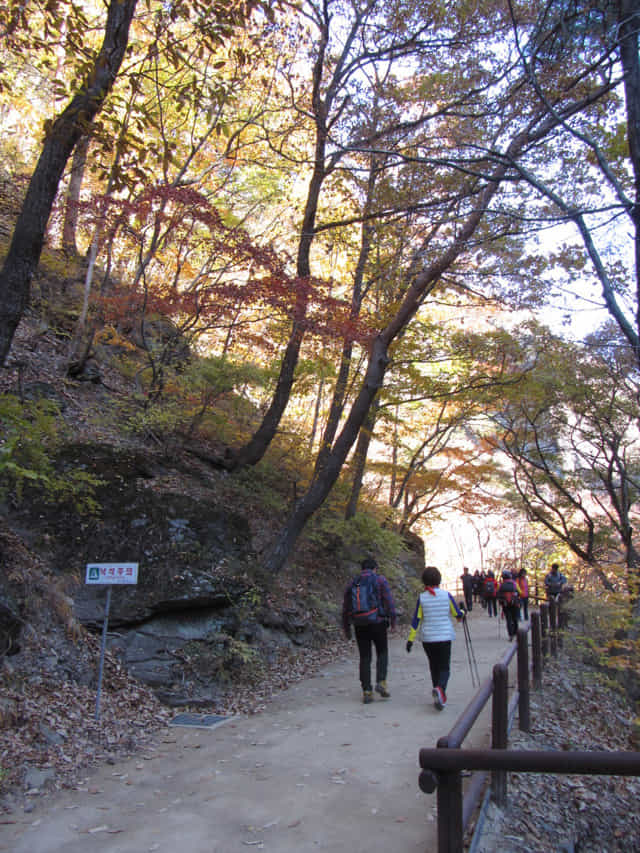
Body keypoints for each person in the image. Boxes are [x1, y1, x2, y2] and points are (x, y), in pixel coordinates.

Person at [405, 565, 464, 710]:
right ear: (439, 579)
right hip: (444, 637)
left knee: (434, 666)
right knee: (445, 667)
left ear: (424, 581)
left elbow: (416, 620)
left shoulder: (422, 598)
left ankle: (437, 692)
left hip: (428, 638)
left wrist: (410, 639)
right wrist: (463, 610)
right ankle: (440, 690)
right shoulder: (446, 596)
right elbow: (458, 616)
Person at [342, 557, 397, 704]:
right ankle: (381, 681)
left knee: (365, 657)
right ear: (375, 568)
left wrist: (346, 627)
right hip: (378, 622)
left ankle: (367, 690)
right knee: (382, 652)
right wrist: (393, 619)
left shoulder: (353, 583)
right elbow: (389, 601)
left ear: (362, 568)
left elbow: (346, 607)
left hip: (360, 624)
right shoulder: (380, 580)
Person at [498, 570, 520, 640]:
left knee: (508, 619)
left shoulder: (501, 585)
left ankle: (510, 634)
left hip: (506, 604)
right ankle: (516, 632)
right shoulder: (514, 583)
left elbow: (498, 594)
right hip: (514, 603)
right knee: (515, 618)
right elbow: (519, 592)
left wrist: (500, 602)